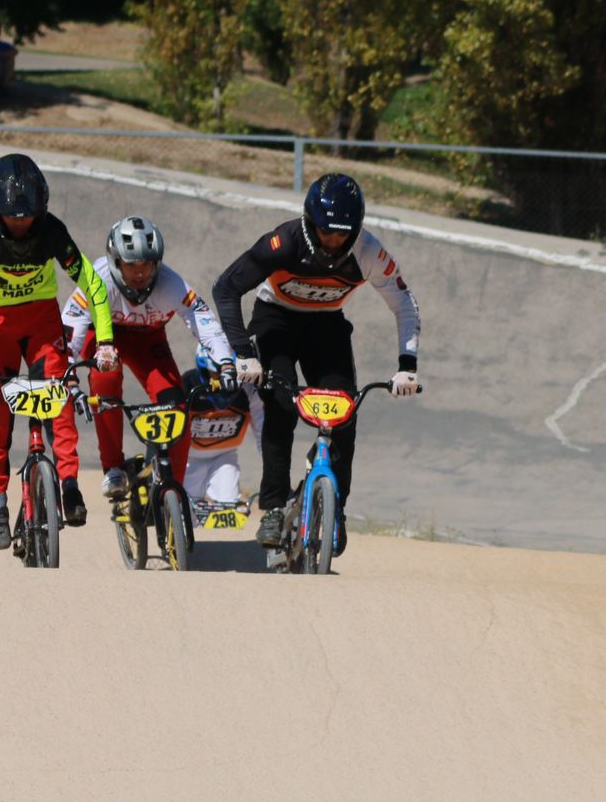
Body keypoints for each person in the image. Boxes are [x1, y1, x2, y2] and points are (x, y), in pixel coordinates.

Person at [212, 173, 422, 554]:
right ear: (311, 221)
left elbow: (403, 303)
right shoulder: (283, 242)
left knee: (345, 412)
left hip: (326, 325)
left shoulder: (368, 251)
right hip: (275, 319)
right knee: (279, 405)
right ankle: (274, 507)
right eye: (327, 232)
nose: (334, 242)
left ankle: (334, 506)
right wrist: (243, 353)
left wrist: (408, 363)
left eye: (343, 234)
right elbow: (225, 287)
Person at [0, 154, 115, 546]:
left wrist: (105, 341)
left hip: (41, 321)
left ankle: (70, 486)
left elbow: (93, 284)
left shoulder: (52, 230)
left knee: (59, 393)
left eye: (28, 216)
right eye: (12, 216)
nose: (21, 223)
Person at [63, 217, 235, 502]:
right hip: (105, 340)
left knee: (178, 407)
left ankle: (174, 492)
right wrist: (67, 372)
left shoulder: (172, 284)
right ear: (116, 261)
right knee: (105, 378)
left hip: (148, 343)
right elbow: (70, 330)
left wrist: (226, 363)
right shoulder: (98, 279)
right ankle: (114, 467)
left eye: (147, 264)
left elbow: (204, 322)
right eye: (131, 265)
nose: (140, 273)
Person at [178, 344, 263, 515]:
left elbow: (263, 432)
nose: (224, 384)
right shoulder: (188, 385)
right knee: (185, 516)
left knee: (230, 510)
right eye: (216, 375)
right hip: (189, 459)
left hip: (224, 457)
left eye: (233, 377)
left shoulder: (249, 392)